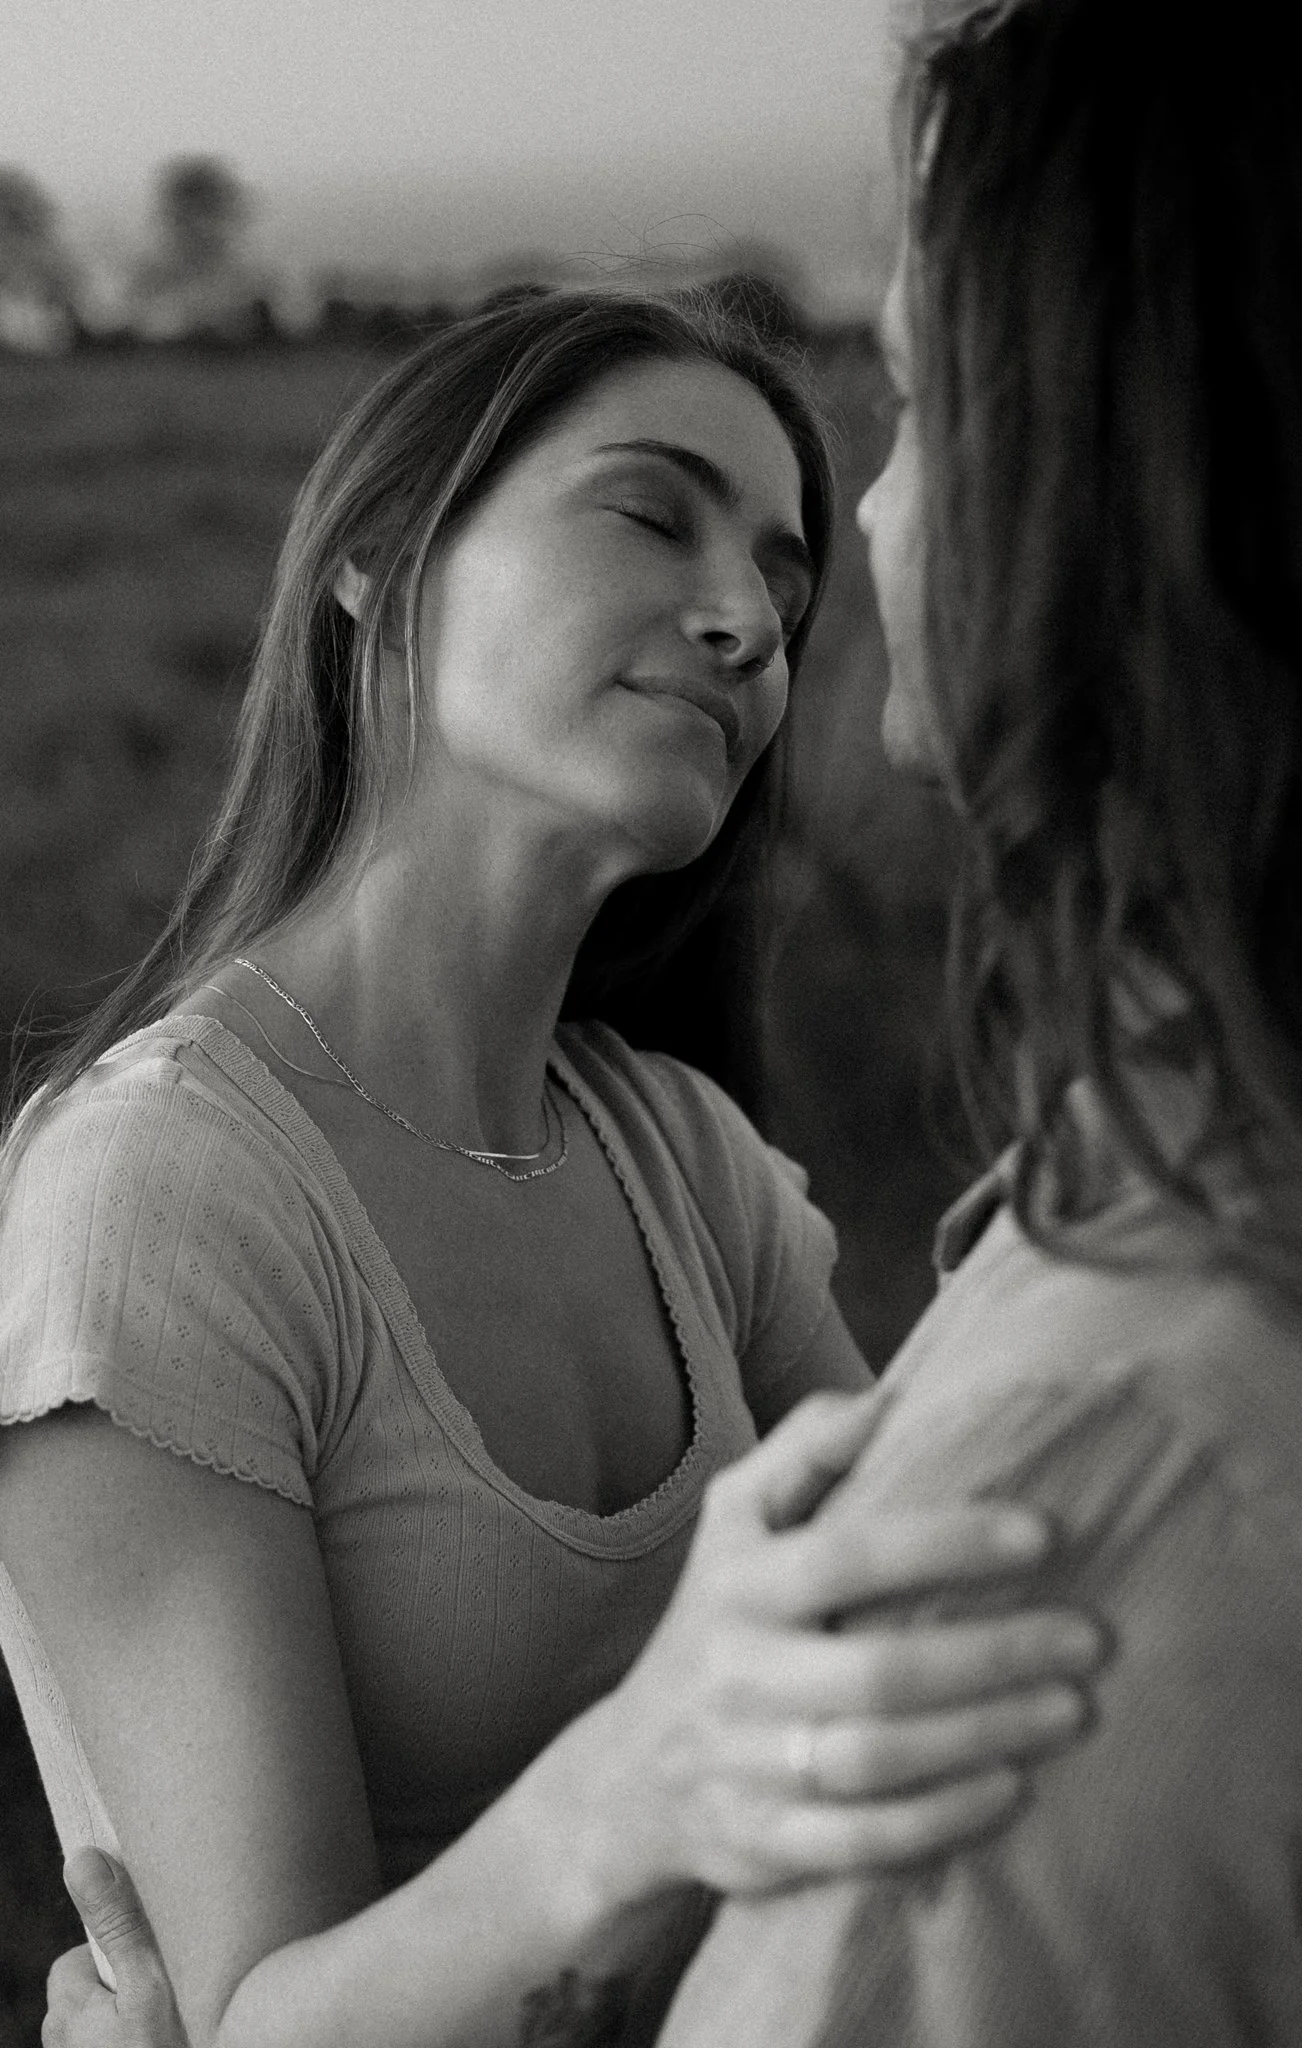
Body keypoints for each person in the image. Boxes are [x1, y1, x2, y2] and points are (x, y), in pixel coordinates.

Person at [0, 287, 1103, 2048]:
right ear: (380, 559)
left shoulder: (688, 1164)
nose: (746, 621)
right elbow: (260, 2021)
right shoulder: (161, 1203)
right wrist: (644, 1783)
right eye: (648, 513)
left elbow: (956, 1683)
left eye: (790, 588)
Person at [648, 0, 1302, 2039]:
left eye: (905, 404)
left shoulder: (1071, 1529)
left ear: (1128, 466)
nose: (849, 536)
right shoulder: (1188, 1186)